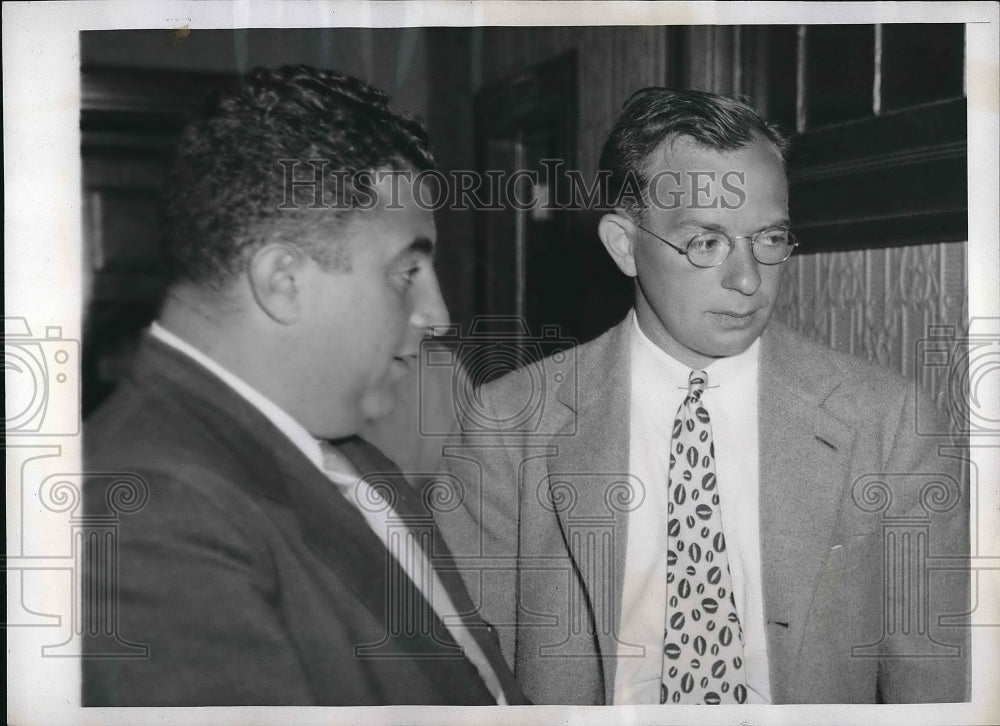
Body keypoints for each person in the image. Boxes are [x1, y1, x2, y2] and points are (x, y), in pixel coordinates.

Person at [435, 88, 970, 705]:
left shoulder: (888, 422)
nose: (747, 280)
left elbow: (938, 692)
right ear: (623, 244)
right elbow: (465, 684)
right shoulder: (508, 425)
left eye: (769, 239)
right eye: (707, 243)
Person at [82, 65, 524, 707]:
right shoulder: (145, 512)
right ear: (284, 279)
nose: (438, 315)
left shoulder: (350, 454)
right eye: (407, 270)